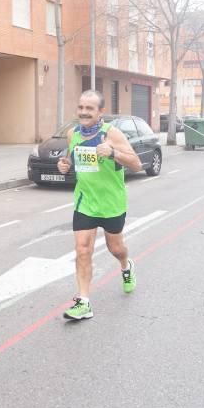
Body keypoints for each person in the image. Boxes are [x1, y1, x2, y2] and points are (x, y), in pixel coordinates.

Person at [57, 90, 143, 320]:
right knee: (83, 249)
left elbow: (136, 164)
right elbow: (71, 159)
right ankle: (83, 301)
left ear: (100, 112)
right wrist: (64, 165)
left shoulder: (112, 134)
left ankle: (126, 265)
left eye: (89, 109)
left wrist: (113, 152)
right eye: (81, 108)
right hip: (85, 201)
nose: (83, 112)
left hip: (111, 202)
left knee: (116, 248)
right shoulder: (72, 134)